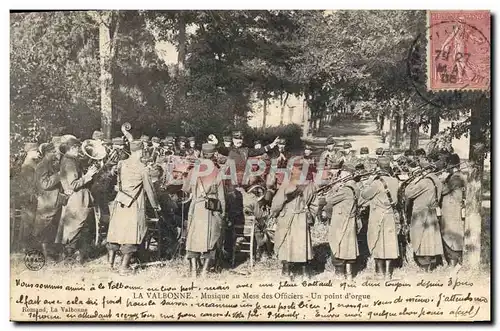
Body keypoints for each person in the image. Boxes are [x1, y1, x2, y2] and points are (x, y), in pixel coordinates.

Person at [106, 140, 161, 274]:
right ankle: (123, 267)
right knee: (131, 235)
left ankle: (110, 264)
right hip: (134, 205)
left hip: (120, 202)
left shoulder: (121, 164)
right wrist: (156, 206)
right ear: (141, 151)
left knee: (116, 232)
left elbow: (118, 183)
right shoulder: (142, 168)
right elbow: (150, 190)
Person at [182, 143, 226, 278]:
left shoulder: (194, 170)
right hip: (211, 210)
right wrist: (222, 213)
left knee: (194, 238)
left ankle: (194, 270)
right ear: (214, 155)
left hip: (196, 207)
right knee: (211, 239)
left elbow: (186, 189)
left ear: (202, 153)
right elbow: (221, 196)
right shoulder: (218, 172)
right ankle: (205, 271)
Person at [270, 165, 318, 280]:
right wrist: (310, 217)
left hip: (287, 218)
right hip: (302, 219)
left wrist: (273, 214)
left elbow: (277, 203)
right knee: (302, 245)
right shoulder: (311, 186)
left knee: (286, 244)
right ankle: (305, 273)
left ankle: (287, 272)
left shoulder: (286, 185)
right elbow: (315, 205)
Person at [55, 137, 99, 263]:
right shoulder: (69, 162)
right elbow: (73, 184)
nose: (80, 151)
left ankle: (73, 256)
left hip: (79, 197)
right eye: (78, 148)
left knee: (75, 226)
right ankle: (70, 257)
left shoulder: (70, 160)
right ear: (73, 148)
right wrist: (88, 176)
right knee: (75, 227)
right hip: (78, 198)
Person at [359, 157, 400, 280]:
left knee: (376, 241)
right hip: (390, 215)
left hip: (378, 215)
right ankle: (388, 273)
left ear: (378, 167)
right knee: (390, 243)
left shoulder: (376, 183)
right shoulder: (394, 181)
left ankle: (379, 272)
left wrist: (369, 181)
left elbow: (365, 195)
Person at [404, 163, 444, 272]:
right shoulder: (437, 181)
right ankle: (432, 264)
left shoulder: (424, 182)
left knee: (422, 239)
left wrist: (412, 182)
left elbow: (409, 194)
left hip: (422, 214)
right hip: (433, 212)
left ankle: (425, 265)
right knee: (432, 239)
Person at [326, 166, 361, 280]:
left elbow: (329, 200)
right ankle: (349, 273)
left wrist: (334, 188)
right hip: (350, 220)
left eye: (342, 174)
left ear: (347, 175)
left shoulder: (345, 190)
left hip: (341, 221)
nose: (340, 176)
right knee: (349, 247)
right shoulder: (355, 187)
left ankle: (340, 274)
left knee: (338, 244)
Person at [33, 143, 62, 260]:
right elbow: (44, 184)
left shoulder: (48, 164)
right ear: (47, 153)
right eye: (53, 152)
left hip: (51, 201)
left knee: (49, 228)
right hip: (47, 202)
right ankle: (45, 255)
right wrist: (59, 175)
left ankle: (49, 254)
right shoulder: (42, 166)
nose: (56, 154)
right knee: (44, 228)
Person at [439, 154, 466, 269]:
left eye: (447, 164)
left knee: (450, 234)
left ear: (451, 164)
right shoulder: (456, 176)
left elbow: (443, 191)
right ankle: (454, 260)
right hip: (452, 210)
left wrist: (441, 180)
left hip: (451, 211)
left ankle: (453, 262)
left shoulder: (455, 178)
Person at [12, 142, 40, 251]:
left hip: (31, 196)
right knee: (29, 221)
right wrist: (35, 195)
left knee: (30, 221)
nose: (38, 153)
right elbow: (29, 185)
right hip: (30, 197)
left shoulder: (32, 163)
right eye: (36, 151)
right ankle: (26, 247)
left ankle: (27, 245)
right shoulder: (27, 166)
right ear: (30, 152)